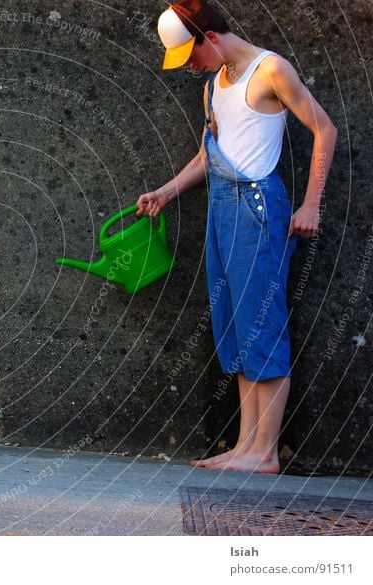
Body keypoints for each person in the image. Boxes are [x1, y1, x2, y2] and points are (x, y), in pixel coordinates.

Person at [135, 0, 337, 473]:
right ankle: (247, 444)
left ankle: (266, 451)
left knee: (262, 320)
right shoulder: (212, 87)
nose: (188, 67)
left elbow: (323, 129)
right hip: (222, 210)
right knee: (235, 322)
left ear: (209, 37)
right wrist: (165, 191)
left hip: (259, 206)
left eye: (189, 55)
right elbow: (210, 156)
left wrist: (311, 204)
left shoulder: (271, 70)